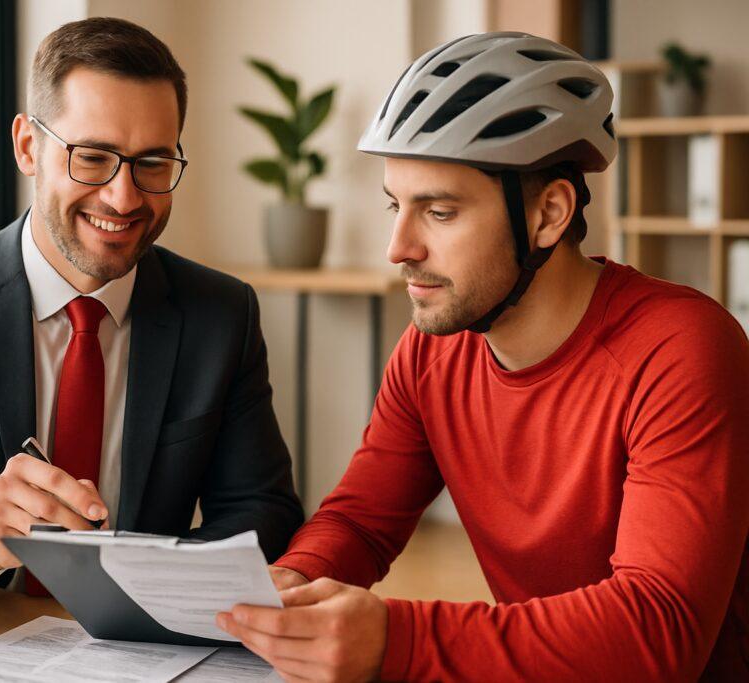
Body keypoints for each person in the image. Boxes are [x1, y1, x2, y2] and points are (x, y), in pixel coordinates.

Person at [217, 32, 749, 682]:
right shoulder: (431, 351)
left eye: (439, 211)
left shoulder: (682, 347)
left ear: (550, 213)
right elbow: (361, 519)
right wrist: (290, 584)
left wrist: (397, 640)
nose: (398, 247)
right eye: (396, 206)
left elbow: (658, 630)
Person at [0, 17, 302, 612]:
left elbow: (264, 513)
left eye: (151, 163)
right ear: (28, 147)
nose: (124, 198)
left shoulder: (221, 314)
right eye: (92, 157)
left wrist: (156, 594)